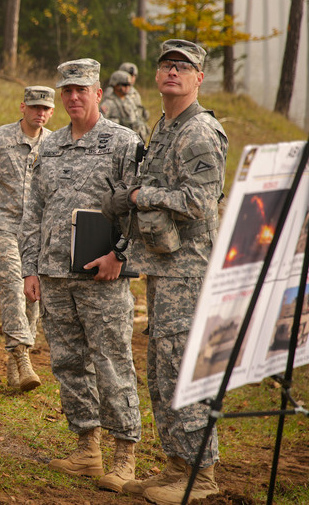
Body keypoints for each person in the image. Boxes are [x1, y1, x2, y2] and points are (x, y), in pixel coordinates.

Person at [102, 40, 227, 504]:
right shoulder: (166, 126)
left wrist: (142, 198)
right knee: (162, 371)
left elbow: (200, 201)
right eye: (166, 65)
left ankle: (201, 475)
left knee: (183, 369)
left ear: (199, 78)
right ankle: (176, 465)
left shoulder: (199, 131)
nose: (173, 72)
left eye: (184, 67)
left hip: (188, 273)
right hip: (161, 268)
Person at [20, 59, 142, 492]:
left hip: (101, 277)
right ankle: (87, 448)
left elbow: (137, 210)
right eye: (67, 90)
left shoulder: (123, 142)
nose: (73, 97)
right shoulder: (49, 146)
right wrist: (29, 268)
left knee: (111, 362)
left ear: (98, 93)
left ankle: (125, 454)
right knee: (69, 363)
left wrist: (120, 256)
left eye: (81, 90)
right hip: (53, 274)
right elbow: (33, 209)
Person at [0, 85, 55, 391]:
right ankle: (22, 355)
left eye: (46, 109)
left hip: (37, 232)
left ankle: (15, 359)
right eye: (35, 107)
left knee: (32, 292)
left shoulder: (55, 145)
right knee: (11, 288)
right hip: (4, 227)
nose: (40, 113)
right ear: (23, 107)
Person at [100, 70, 149, 141]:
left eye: (129, 85)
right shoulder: (108, 103)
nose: (128, 87)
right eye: (124, 85)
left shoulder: (130, 101)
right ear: (115, 85)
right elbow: (102, 126)